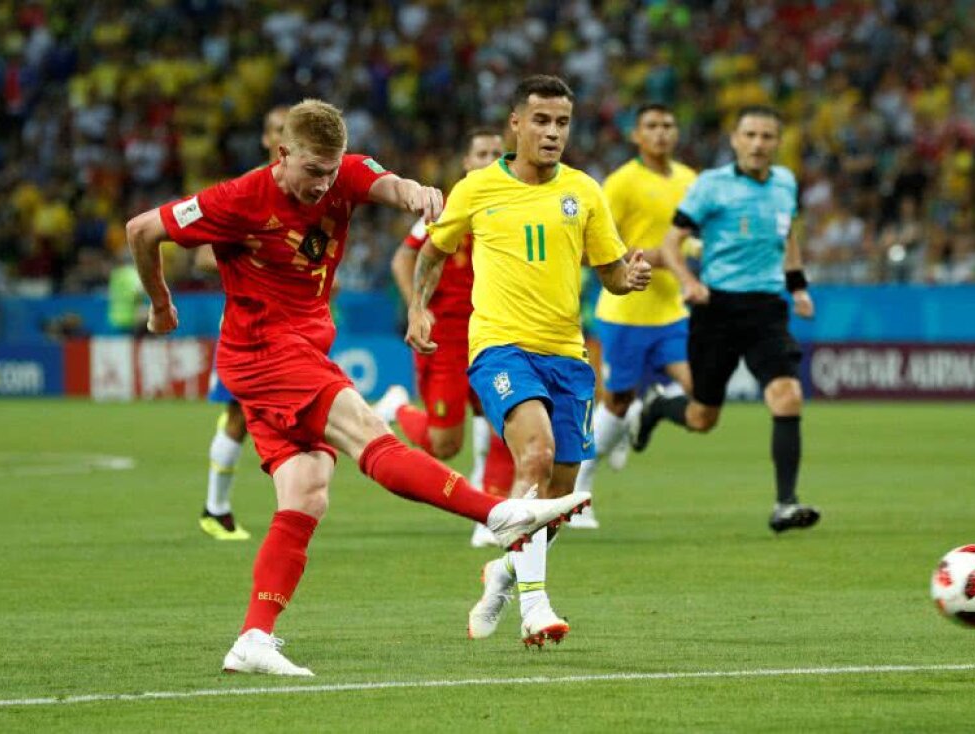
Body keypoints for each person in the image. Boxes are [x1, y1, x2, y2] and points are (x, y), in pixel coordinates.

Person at [126, 98, 590, 677]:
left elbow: (389, 185)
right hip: (264, 350)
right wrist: (161, 303)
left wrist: (418, 193)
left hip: (300, 346)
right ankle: (495, 512)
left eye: (332, 171)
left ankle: (253, 637)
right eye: (312, 171)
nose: (323, 185)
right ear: (282, 154)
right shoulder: (238, 199)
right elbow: (142, 230)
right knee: (369, 433)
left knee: (307, 491)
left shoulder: (342, 172)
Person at [407, 75, 651, 647]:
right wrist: (418, 309)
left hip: (566, 354)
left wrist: (630, 278)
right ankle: (535, 607)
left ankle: (503, 575)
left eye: (562, 123)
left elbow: (611, 273)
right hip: (500, 346)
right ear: (515, 124)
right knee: (535, 458)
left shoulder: (585, 192)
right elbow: (433, 251)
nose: (552, 132)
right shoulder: (475, 188)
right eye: (541, 121)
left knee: (558, 496)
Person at [632, 104, 820, 534]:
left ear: (777, 142)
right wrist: (687, 282)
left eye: (766, 137)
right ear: (735, 140)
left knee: (787, 395)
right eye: (749, 135)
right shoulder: (711, 186)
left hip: (767, 310)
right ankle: (660, 405)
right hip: (715, 309)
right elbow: (671, 242)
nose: (758, 144)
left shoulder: (786, 183)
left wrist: (798, 286)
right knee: (703, 418)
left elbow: (786, 234)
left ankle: (785, 504)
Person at [378, 127, 516, 548]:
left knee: (508, 420)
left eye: (498, 152)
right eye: (482, 152)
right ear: (466, 162)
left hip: (498, 330)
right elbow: (403, 259)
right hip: (450, 337)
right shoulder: (451, 206)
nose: (491, 157)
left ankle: (492, 513)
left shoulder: (517, 203)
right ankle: (398, 406)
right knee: (444, 444)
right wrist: (418, 306)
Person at [572, 103, 698, 526]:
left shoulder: (689, 181)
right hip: (625, 309)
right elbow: (594, 242)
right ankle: (581, 489)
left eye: (668, 125)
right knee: (618, 400)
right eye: (652, 126)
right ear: (636, 135)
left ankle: (654, 410)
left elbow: (697, 239)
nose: (661, 133)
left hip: (671, 311)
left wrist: (685, 254)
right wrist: (647, 258)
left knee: (700, 392)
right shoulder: (622, 183)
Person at [196, 104, 290, 541]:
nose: (283, 139)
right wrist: (253, 253)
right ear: (265, 138)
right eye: (275, 130)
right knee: (238, 415)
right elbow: (201, 256)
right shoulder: (244, 192)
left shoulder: (315, 191)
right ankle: (215, 508)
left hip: (295, 326)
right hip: (249, 328)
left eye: (290, 130)